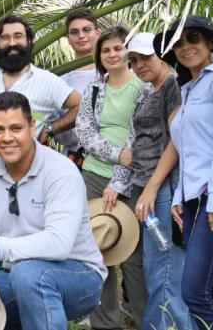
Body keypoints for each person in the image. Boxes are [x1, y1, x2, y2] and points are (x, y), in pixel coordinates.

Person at [0, 91, 106, 330]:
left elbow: (59, 243)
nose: (7, 138)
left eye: (16, 128)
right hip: (14, 274)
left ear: (32, 127)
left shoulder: (61, 172)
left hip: (79, 275)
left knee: (28, 276)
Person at [156, 15, 213, 330]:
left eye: (193, 38)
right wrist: (179, 197)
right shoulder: (190, 88)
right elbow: (190, 150)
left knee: (194, 291)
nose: (185, 47)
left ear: (210, 43)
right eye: (178, 43)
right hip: (196, 197)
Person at [104, 32, 190, 330]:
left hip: (163, 190)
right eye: (135, 60)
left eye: (146, 57)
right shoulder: (150, 90)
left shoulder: (173, 87)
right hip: (147, 188)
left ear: (163, 54)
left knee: (165, 268)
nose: (139, 65)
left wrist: (152, 188)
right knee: (156, 266)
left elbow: (177, 142)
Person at [74, 26, 146, 329]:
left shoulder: (144, 87)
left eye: (118, 48)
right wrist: (117, 156)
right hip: (92, 174)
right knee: (97, 249)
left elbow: (140, 136)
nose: (113, 54)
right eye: (106, 50)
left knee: (133, 256)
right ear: (99, 56)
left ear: (128, 51)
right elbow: (85, 133)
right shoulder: (93, 90)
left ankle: (146, 320)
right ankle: (105, 323)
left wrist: (119, 179)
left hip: (133, 179)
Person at [0, 15, 81, 143]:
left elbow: (81, 106)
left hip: (29, 162)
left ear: (29, 40)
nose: (12, 43)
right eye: (4, 38)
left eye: (18, 36)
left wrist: (50, 129)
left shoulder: (46, 80)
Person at [50, 7, 103, 153]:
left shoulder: (116, 72)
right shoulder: (60, 80)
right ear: (68, 38)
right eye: (74, 32)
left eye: (87, 30)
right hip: (76, 158)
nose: (81, 36)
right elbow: (58, 132)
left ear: (98, 33)